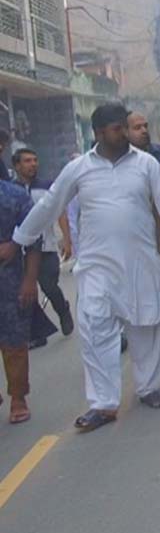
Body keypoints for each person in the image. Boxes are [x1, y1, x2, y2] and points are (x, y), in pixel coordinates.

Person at [10, 103, 160, 433]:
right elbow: (51, 203)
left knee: (146, 325)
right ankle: (103, 403)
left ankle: (148, 388)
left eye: (125, 126)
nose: (125, 133)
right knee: (95, 329)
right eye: (117, 128)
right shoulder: (79, 168)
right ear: (99, 133)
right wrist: (21, 238)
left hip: (140, 262)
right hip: (97, 267)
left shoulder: (145, 164)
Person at [127, 111, 160, 365]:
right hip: (135, 237)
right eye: (137, 127)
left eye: (145, 125)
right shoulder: (120, 161)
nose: (144, 130)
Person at [11, 149, 74, 337]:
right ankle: (35, 332)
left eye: (35, 160)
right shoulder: (9, 189)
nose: (33, 164)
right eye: (27, 161)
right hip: (20, 249)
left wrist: (67, 240)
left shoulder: (48, 186)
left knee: (49, 285)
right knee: (26, 293)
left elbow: (60, 212)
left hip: (46, 248)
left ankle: (62, 309)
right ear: (17, 166)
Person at [0, 180, 41, 424]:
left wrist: (30, 280)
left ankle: (18, 397)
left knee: (14, 341)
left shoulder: (13, 196)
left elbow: (34, 239)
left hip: (9, 280)